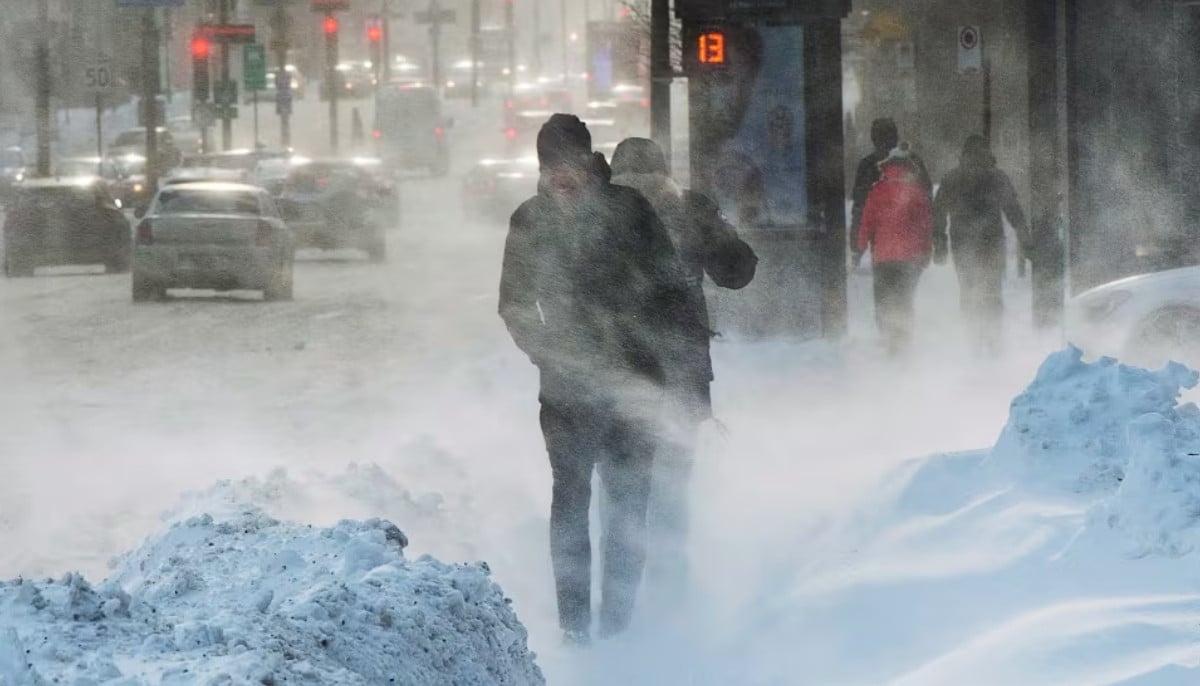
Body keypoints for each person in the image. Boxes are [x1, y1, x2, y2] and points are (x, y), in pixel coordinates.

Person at [498, 115, 704, 645]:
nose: (559, 177)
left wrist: (674, 370)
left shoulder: (630, 211)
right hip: (566, 393)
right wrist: (550, 354)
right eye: (548, 167)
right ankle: (574, 627)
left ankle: (617, 624)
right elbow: (515, 305)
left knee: (627, 504)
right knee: (569, 501)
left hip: (634, 384)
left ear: (589, 164)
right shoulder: (528, 221)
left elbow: (670, 290)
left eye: (568, 165)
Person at [609, 137, 758, 602]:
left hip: (613, 373)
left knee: (617, 487)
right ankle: (670, 591)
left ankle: (616, 595)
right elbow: (736, 271)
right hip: (681, 371)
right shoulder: (687, 208)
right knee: (672, 481)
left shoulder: (597, 213)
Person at [932, 135, 1031, 356]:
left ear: (964, 154)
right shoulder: (996, 177)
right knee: (993, 293)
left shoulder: (952, 178)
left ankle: (973, 343)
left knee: (968, 293)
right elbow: (1013, 210)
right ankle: (993, 342)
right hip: (992, 245)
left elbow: (938, 212)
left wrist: (939, 243)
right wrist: (1026, 239)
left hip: (963, 247)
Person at [857, 143, 934, 356]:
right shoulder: (917, 192)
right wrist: (926, 252)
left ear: (887, 166)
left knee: (883, 300)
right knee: (905, 299)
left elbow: (867, 223)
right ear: (909, 167)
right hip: (910, 259)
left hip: (883, 258)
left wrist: (859, 249)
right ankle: (902, 342)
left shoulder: (876, 191)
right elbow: (926, 225)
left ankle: (888, 340)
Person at [850, 118, 932, 267]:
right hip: (911, 245)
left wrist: (856, 248)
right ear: (896, 136)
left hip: (882, 247)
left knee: (885, 284)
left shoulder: (867, 165)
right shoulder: (913, 162)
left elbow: (859, 208)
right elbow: (927, 201)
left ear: (873, 138)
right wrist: (927, 245)